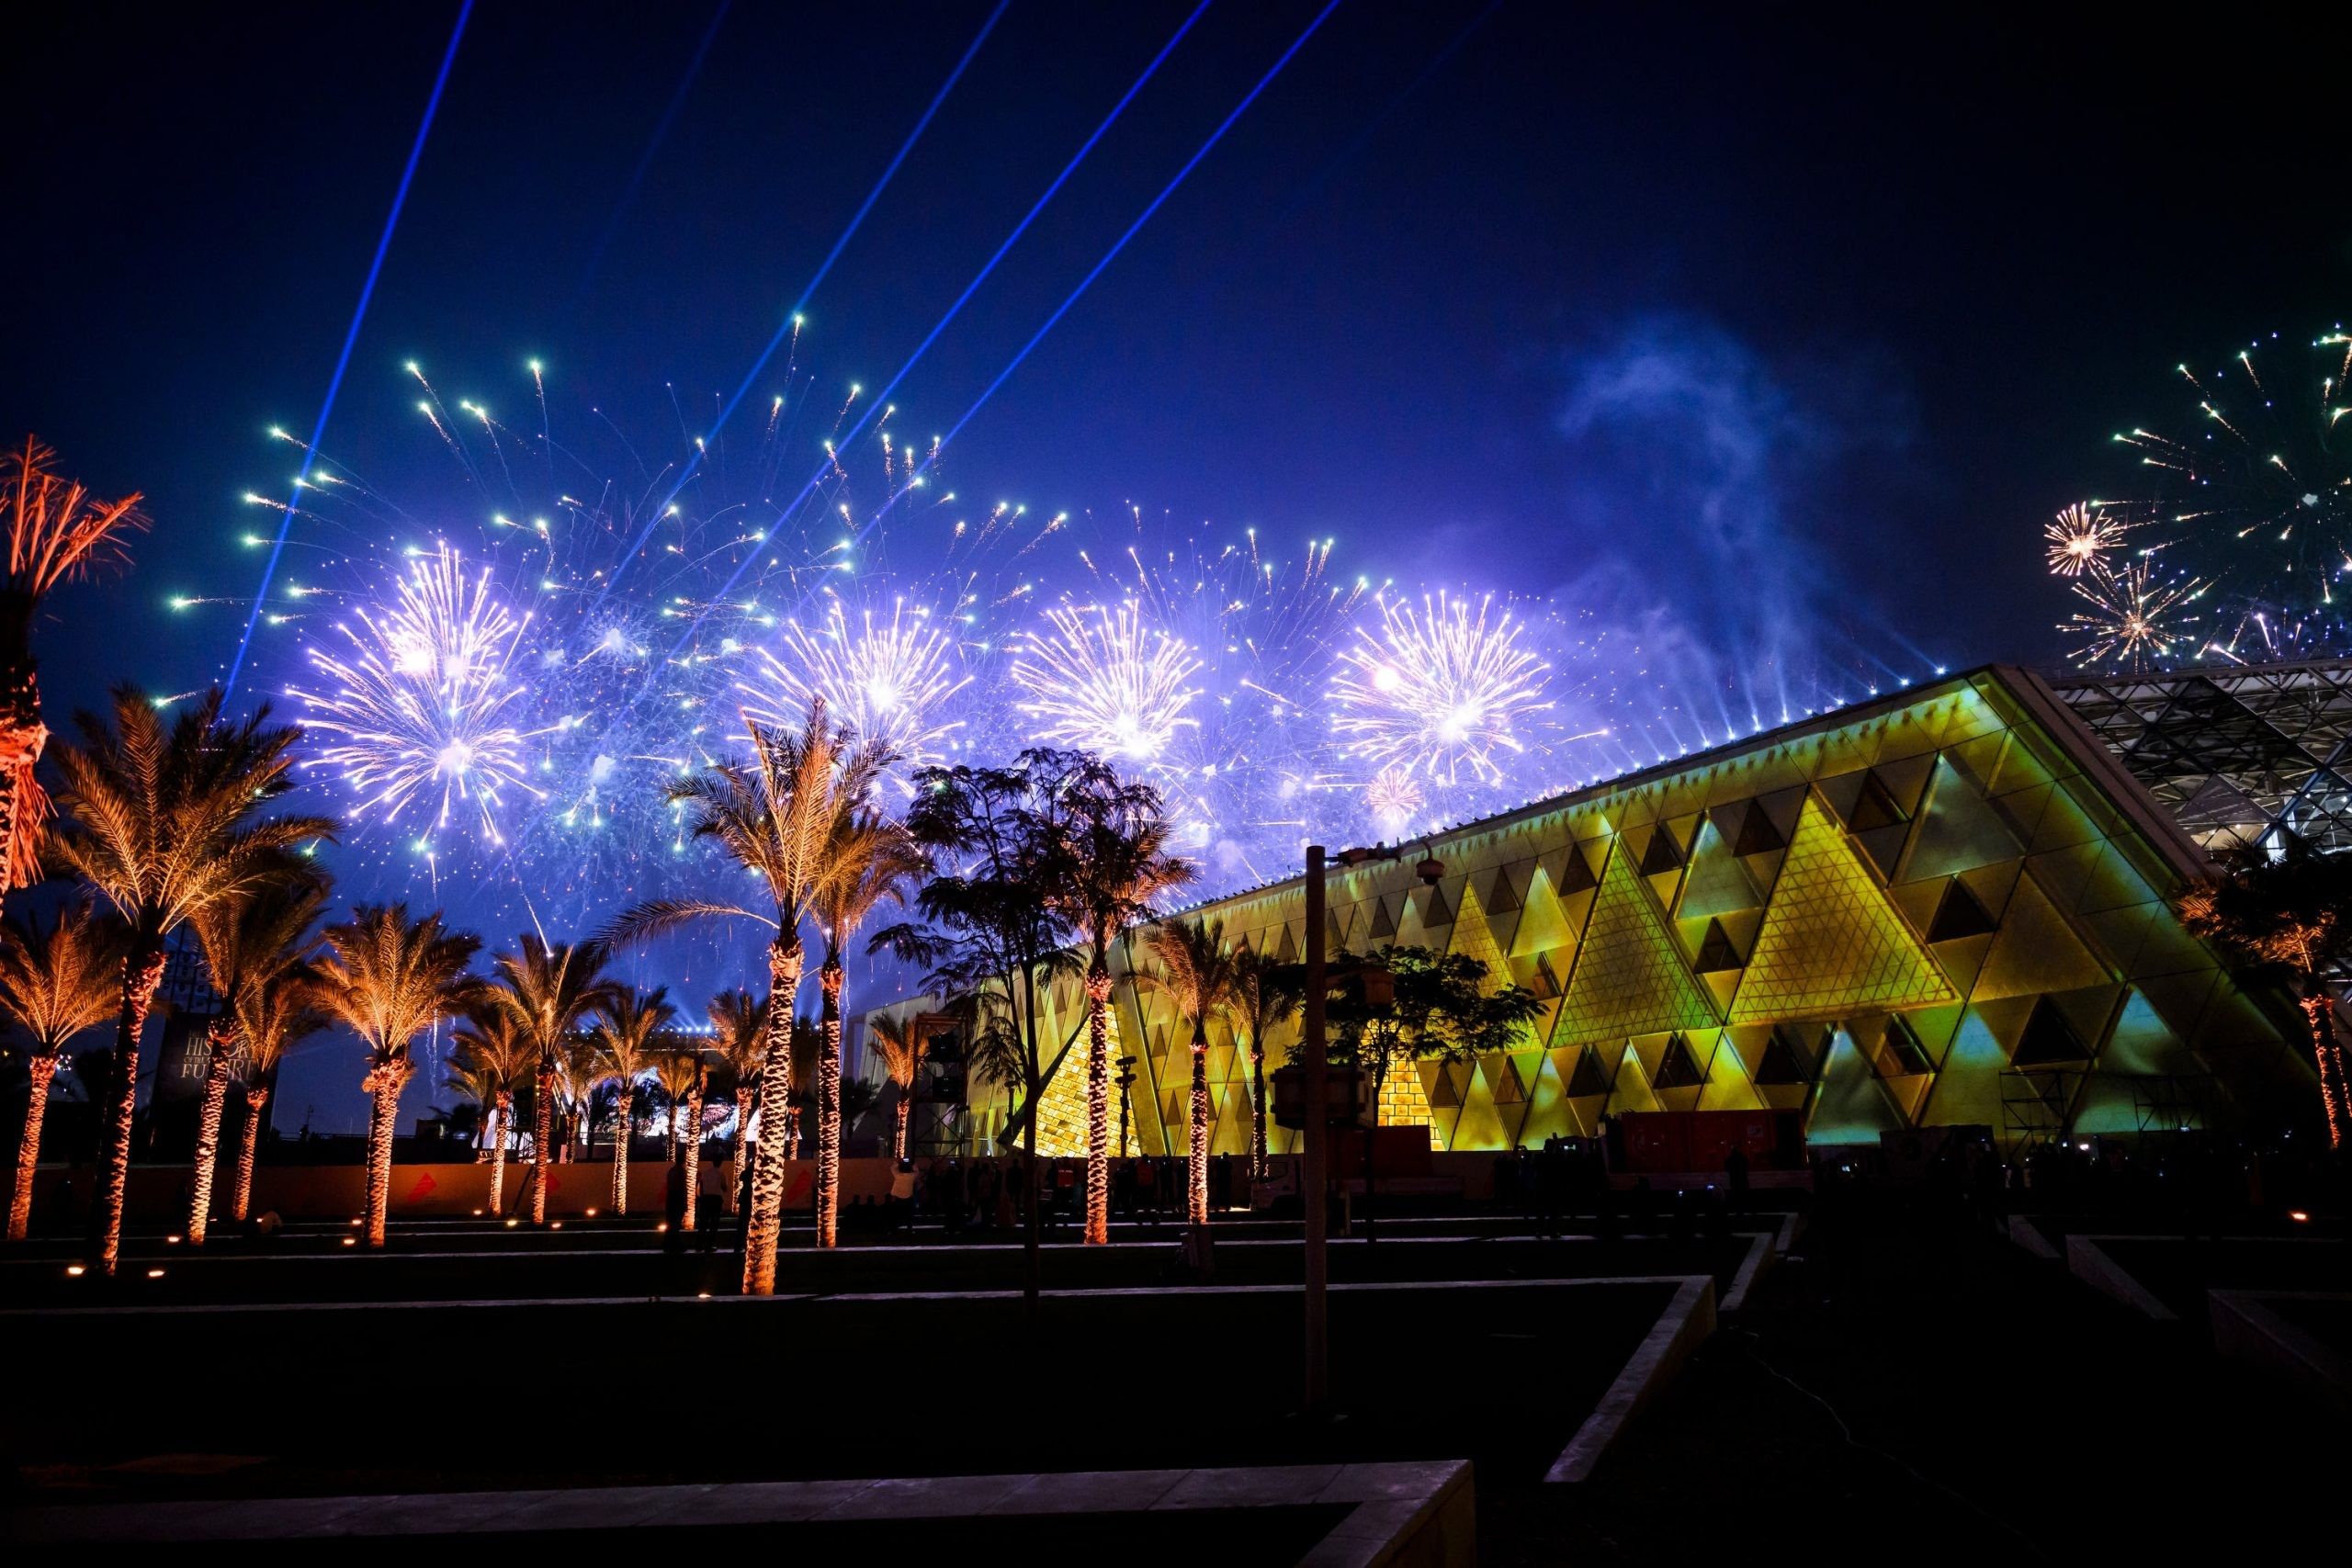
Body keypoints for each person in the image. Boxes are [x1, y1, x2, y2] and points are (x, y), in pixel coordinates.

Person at [663, 1145, 688, 1256]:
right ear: (683, 1160)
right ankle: (676, 1245)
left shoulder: (671, 1171)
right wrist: (685, 1202)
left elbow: (669, 1185)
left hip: (671, 1198)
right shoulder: (682, 1171)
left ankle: (668, 1245)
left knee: (670, 1223)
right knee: (676, 1224)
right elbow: (683, 1187)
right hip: (678, 1199)